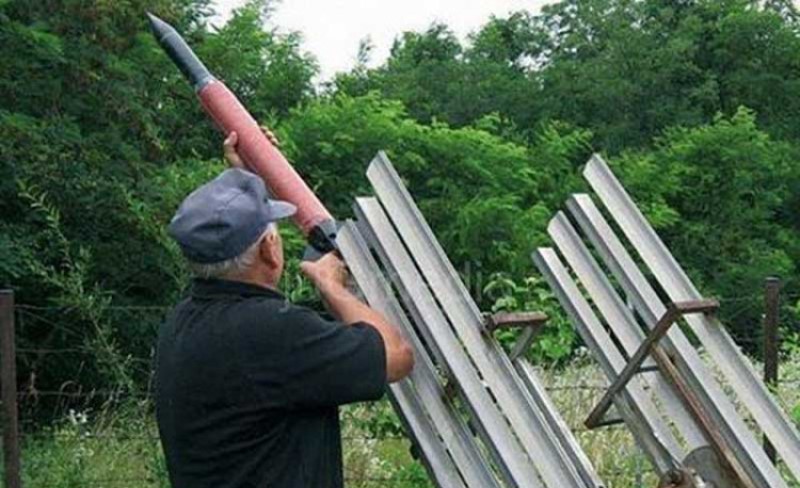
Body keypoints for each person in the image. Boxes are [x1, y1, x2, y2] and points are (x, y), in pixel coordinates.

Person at [155, 129, 415, 488]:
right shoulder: (273, 333)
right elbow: (397, 355)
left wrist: (248, 184)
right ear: (269, 249)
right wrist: (331, 285)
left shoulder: (182, 321)